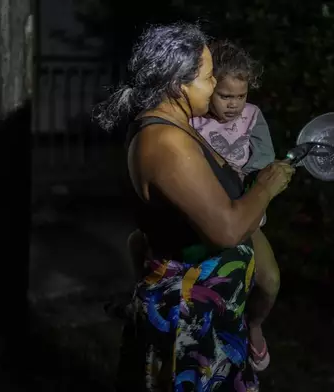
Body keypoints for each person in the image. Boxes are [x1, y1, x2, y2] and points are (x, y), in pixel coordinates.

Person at [93, 22, 294, 392]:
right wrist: (265, 187)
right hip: (191, 323)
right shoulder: (165, 141)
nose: (215, 85)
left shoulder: (177, 128)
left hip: (213, 316)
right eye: (206, 77)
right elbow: (227, 230)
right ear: (177, 84)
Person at [191, 40, 279, 372]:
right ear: (210, 87)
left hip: (247, 220)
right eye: (225, 96)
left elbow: (265, 162)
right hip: (207, 220)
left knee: (269, 281)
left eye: (240, 96)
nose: (233, 105)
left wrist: (254, 179)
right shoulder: (194, 120)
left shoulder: (252, 117)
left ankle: (254, 325)